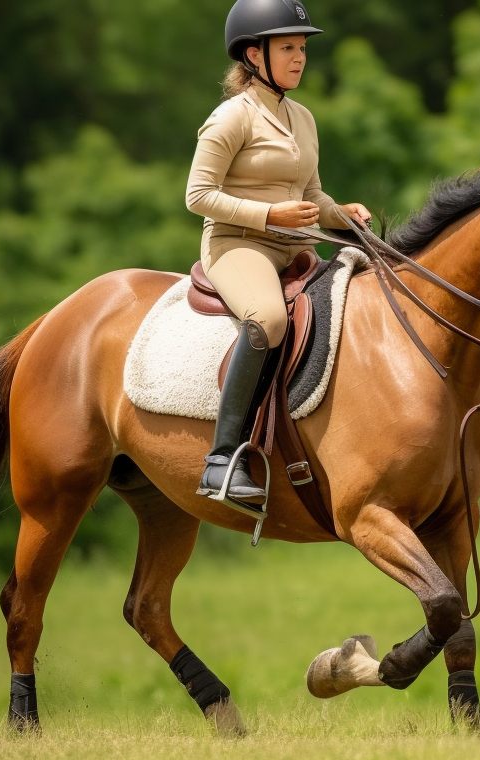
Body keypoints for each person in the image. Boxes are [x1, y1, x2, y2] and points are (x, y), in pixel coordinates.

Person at [186, 0, 372, 504]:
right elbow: (197, 195)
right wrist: (269, 216)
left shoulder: (302, 118)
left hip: (296, 247)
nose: (299, 58)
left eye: (303, 48)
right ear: (253, 54)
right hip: (239, 245)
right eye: (287, 47)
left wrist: (342, 212)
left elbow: (311, 195)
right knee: (268, 319)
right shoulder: (231, 117)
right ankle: (221, 459)